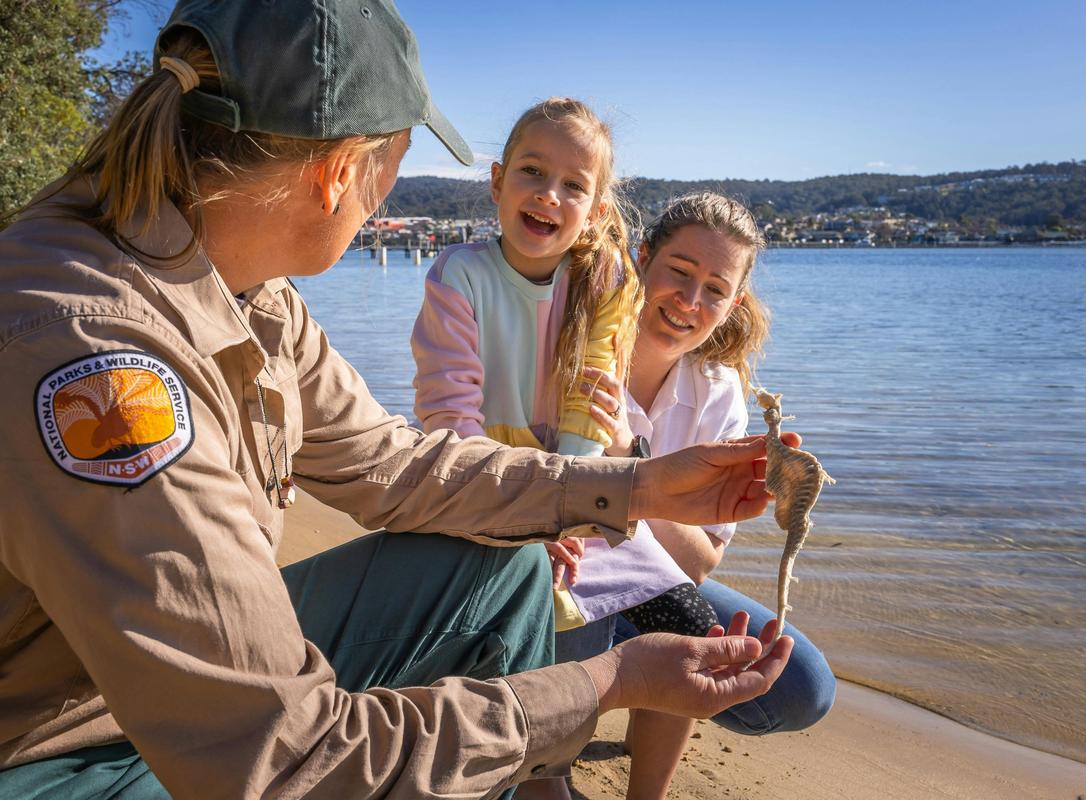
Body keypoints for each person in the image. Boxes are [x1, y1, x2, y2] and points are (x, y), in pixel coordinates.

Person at [0, 4, 795, 800]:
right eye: (396, 164)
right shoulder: (97, 365)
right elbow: (285, 759)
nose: (383, 202)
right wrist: (606, 682)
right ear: (339, 173)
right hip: (53, 753)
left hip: (122, 694)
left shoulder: (247, 291)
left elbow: (391, 463)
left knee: (504, 566)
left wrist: (635, 487)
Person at [553, 193, 838, 799]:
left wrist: (632, 461)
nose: (689, 301)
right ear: (642, 259)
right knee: (581, 622)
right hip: (560, 568)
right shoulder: (571, 352)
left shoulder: (718, 390)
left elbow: (698, 561)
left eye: (715, 289)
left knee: (802, 687)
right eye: (679, 272)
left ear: (734, 302)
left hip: (661, 577)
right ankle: (550, 762)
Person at [410, 99, 721, 649]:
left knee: (701, 636)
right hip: (479, 487)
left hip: (579, 493)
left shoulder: (608, 279)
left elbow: (590, 408)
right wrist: (524, 520)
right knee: (539, 636)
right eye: (532, 171)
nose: (548, 194)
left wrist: (557, 514)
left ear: (596, 211)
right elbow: (451, 414)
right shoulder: (458, 274)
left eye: (573, 185)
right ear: (498, 181)